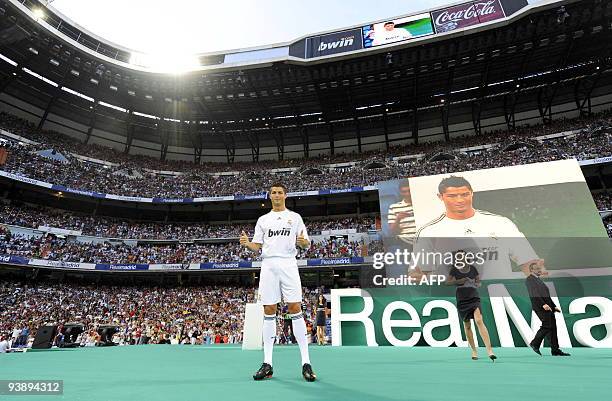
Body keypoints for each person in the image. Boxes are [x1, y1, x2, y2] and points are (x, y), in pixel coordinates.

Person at [240, 182, 317, 382]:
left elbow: (305, 242)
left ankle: (306, 363)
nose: (276, 195)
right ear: (269, 196)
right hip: (268, 265)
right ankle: (267, 364)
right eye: (273, 192)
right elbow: (257, 245)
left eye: (279, 192)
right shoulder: (263, 220)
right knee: (268, 310)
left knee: (294, 307)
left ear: (285, 195)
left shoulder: (295, 217)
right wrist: (248, 244)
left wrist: (304, 243)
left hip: (289, 263)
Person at [412, 175, 545, 281]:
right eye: (452, 196)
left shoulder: (500, 223)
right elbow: (419, 275)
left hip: (501, 298)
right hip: (456, 301)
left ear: (471, 193)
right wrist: (418, 278)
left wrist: (539, 277)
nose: (460, 200)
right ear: (440, 197)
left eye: (464, 194)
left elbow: (528, 261)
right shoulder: (427, 232)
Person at [446, 251, 497, 361]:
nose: (460, 258)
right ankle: (474, 351)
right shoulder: (454, 269)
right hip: (461, 298)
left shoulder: (473, 268)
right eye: (458, 256)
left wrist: (476, 283)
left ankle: (489, 350)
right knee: (467, 325)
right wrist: (460, 281)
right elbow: (447, 282)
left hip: (473, 296)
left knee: (479, 320)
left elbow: (479, 282)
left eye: (462, 256)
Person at [525, 263, 571, 356]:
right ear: (531, 270)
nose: (539, 270)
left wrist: (553, 306)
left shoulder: (539, 280)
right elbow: (534, 294)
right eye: (536, 269)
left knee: (553, 328)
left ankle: (555, 350)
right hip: (541, 307)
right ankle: (535, 343)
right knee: (547, 326)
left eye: (539, 268)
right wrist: (543, 304)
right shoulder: (529, 279)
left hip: (548, 308)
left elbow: (546, 296)